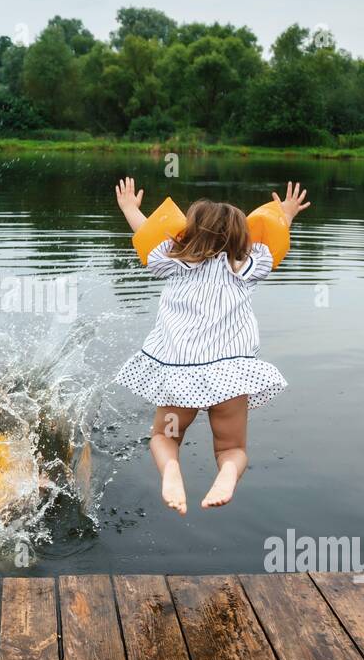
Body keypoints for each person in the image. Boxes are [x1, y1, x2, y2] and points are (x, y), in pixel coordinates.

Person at [113, 177, 310, 514]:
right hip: (231, 378)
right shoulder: (249, 265)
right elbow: (273, 239)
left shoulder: (170, 260)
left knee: (164, 438)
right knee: (231, 448)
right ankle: (228, 472)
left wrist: (131, 208)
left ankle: (172, 470)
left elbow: (147, 235)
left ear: (189, 231)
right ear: (241, 237)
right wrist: (286, 213)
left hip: (180, 376)